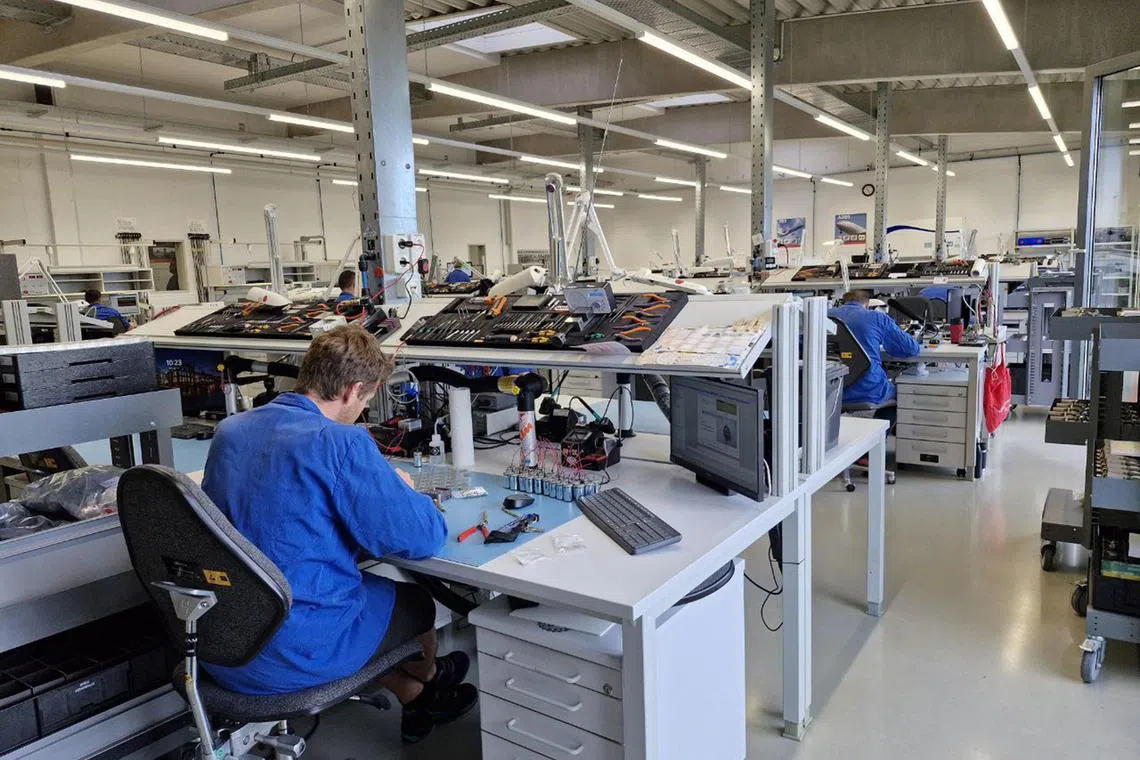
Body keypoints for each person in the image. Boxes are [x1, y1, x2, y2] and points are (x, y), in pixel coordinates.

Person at [200, 325, 476, 744]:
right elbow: (420, 538)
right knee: (416, 601)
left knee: (363, 592)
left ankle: (412, 691)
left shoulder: (231, 430)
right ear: (353, 390)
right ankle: (431, 678)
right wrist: (402, 489)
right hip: (293, 649)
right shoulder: (341, 442)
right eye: (366, 401)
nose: (362, 412)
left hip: (224, 640)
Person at [829, 290, 921, 417]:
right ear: (867, 305)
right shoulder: (876, 317)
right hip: (869, 390)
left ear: (844, 302)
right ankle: (881, 432)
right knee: (902, 394)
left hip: (831, 390)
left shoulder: (825, 315)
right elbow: (911, 349)